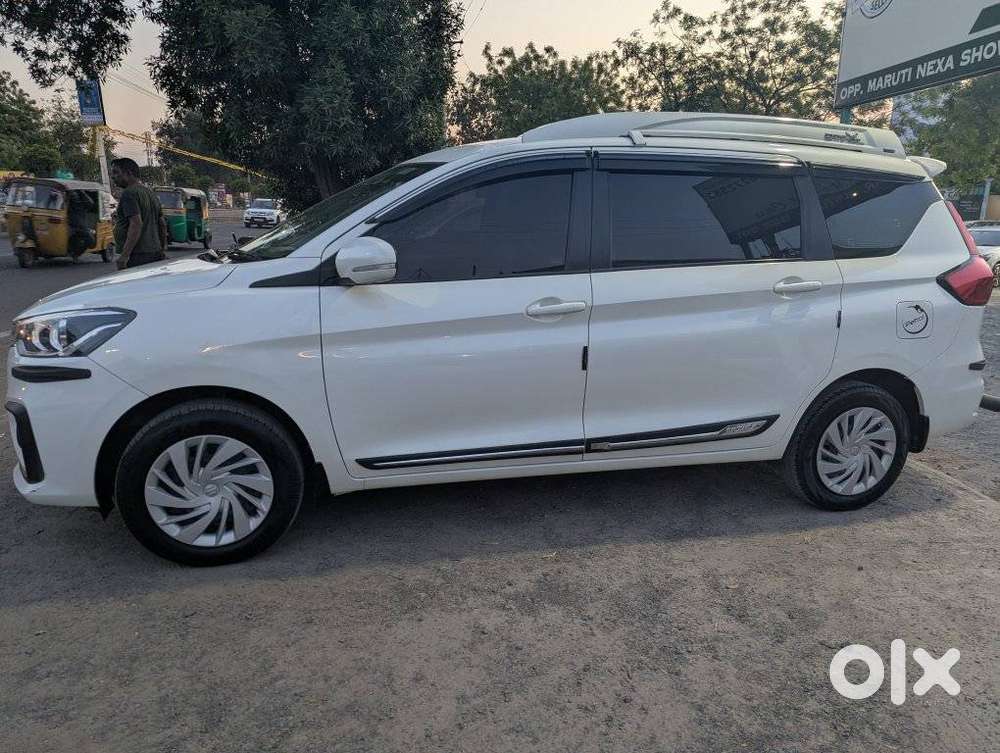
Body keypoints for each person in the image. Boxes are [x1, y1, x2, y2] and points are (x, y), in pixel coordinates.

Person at [109, 157, 168, 269]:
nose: (113, 177)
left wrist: (125, 256)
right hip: (154, 253)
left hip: (137, 255)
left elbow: (136, 224)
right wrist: (162, 249)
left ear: (128, 173)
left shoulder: (129, 193)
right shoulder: (151, 194)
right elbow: (162, 225)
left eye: (116, 172)